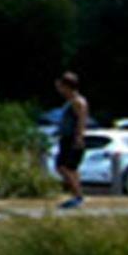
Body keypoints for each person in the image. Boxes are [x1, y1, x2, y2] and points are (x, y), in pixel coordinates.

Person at [54, 72, 90, 209]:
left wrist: (79, 138)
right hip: (66, 138)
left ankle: (77, 196)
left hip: (72, 138)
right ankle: (76, 194)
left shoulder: (77, 102)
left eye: (61, 86)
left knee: (66, 168)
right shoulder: (70, 102)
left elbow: (81, 120)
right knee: (65, 167)